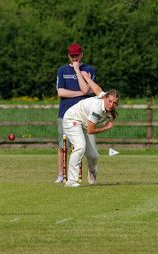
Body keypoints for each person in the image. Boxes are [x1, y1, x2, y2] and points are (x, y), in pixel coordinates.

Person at [63, 72, 119, 187]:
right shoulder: (97, 109)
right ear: (105, 98)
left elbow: (97, 88)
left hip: (82, 124)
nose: (111, 105)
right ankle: (71, 181)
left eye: (114, 103)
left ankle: (92, 173)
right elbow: (90, 130)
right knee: (80, 146)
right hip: (71, 119)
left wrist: (88, 78)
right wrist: (105, 127)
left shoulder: (103, 96)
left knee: (93, 156)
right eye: (110, 101)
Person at [55, 43, 96, 184]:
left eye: (77, 55)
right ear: (68, 55)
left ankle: (91, 173)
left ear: (81, 54)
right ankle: (61, 175)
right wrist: (80, 93)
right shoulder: (62, 70)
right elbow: (61, 92)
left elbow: (88, 90)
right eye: (72, 56)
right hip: (65, 114)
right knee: (62, 146)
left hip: (84, 115)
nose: (74, 58)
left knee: (86, 148)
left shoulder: (89, 70)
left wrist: (78, 71)